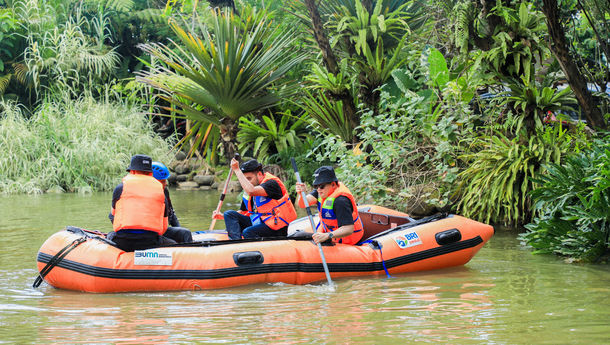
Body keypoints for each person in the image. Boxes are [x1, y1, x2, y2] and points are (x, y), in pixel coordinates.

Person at [212, 158, 297, 240]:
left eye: (249, 179)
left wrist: (237, 170)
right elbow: (244, 212)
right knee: (229, 214)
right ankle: (236, 243)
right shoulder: (248, 190)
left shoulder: (271, 184)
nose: (247, 182)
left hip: (277, 227)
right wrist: (222, 216)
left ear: (259, 174)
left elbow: (251, 191)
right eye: (245, 179)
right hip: (259, 222)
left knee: (248, 232)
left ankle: (247, 247)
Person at [107, 154, 175, 252]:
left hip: (123, 242)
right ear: (150, 173)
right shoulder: (160, 191)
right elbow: (164, 226)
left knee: (110, 235)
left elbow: (113, 215)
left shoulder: (120, 188)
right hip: (150, 243)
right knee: (173, 244)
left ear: (132, 171)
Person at [295, 166, 364, 245]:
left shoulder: (341, 201)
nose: (318, 189)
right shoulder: (320, 192)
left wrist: (328, 235)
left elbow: (348, 229)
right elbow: (303, 204)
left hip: (348, 241)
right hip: (329, 234)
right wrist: (301, 193)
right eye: (316, 186)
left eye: (321, 186)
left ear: (333, 184)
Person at [151, 161, 193, 244]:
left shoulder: (165, 191)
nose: (166, 184)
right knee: (173, 243)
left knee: (185, 233)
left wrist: (179, 229)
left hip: (163, 230)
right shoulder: (147, 194)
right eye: (163, 181)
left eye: (165, 181)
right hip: (152, 232)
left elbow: (171, 214)